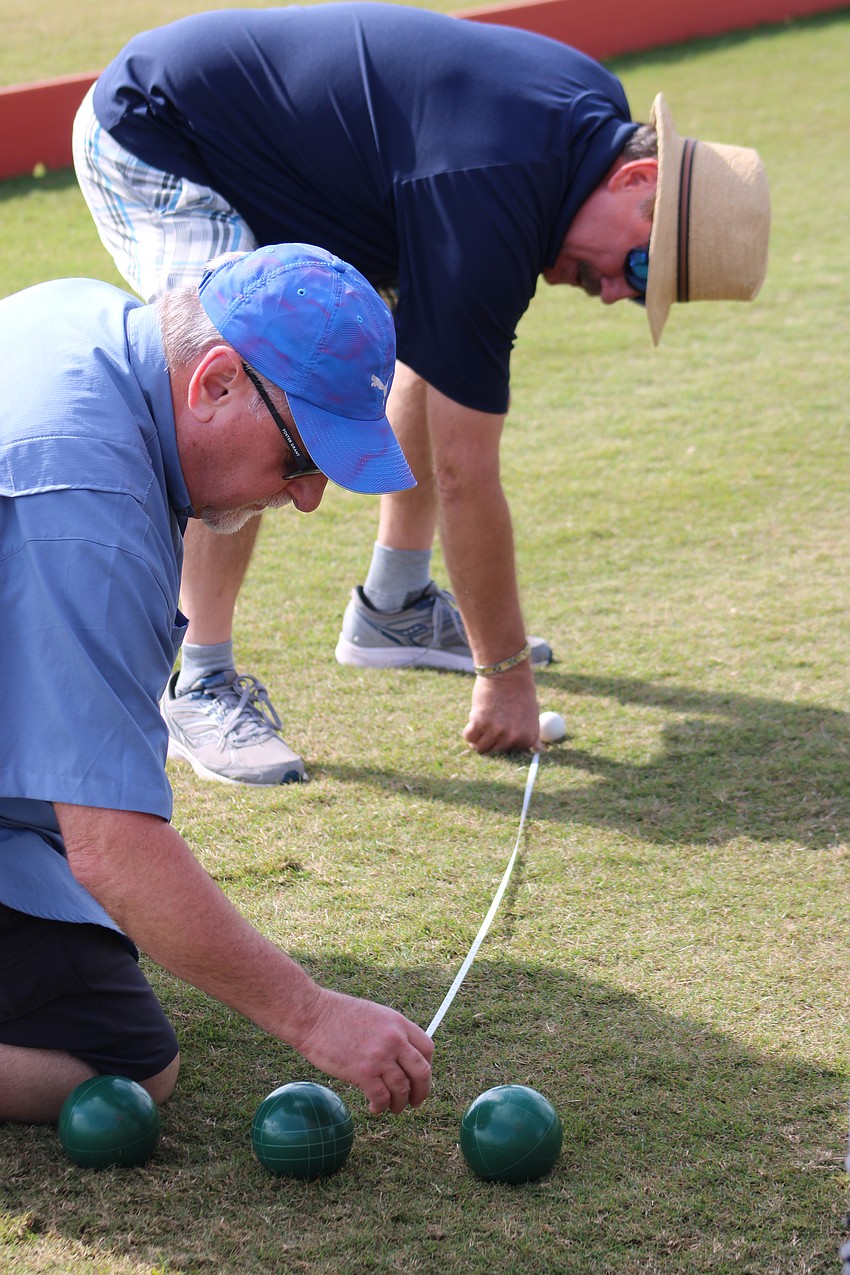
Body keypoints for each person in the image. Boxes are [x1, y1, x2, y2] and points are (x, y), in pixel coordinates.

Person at [72, 2, 770, 783]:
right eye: (640, 269)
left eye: (643, 295)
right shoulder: (495, 198)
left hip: (265, 149)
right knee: (239, 387)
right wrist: (505, 676)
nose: (614, 294)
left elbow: (439, 360)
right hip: (162, 133)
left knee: (411, 345)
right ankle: (197, 678)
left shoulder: (589, 115)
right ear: (638, 177)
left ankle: (394, 606)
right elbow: (463, 474)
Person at [0, 242, 435, 1123]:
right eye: (301, 456)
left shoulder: (91, 322)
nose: (309, 498)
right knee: (122, 1065)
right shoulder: (90, 521)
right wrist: (314, 1016)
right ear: (216, 382)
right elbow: (112, 845)